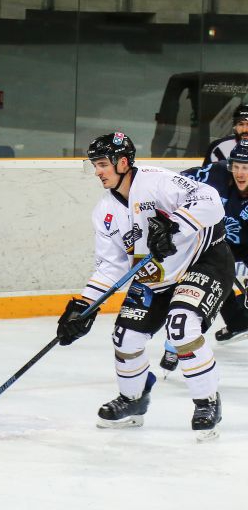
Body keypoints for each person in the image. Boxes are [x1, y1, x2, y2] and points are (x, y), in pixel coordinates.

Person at [57, 132, 232, 439]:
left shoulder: (157, 181)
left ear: (122, 162)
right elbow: (112, 265)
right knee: (125, 337)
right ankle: (134, 399)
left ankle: (207, 401)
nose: (97, 171)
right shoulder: (105, 213)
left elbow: (211, 200)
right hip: (155, 278)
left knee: (181, 326)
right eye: (94, 165)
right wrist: (84, 306)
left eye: (101, 164)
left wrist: (177, 224)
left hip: (202, 262)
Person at [179, 138, 248, 345]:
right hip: (221, 241)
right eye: (236, 166)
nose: (240, 173)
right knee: (214, 279)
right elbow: (176, 182)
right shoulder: (217, 173)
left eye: (246, 167)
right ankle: (237, 322)